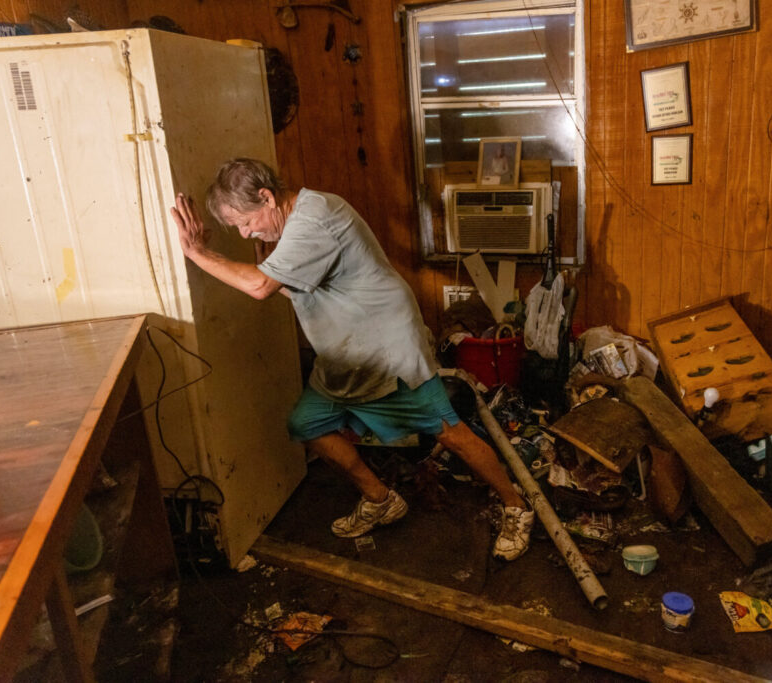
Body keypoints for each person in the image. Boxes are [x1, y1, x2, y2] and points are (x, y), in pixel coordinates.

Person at [171, 158, 534, 560]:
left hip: (383, 344)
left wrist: (197, 253)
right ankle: (380, 498)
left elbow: (260, 287)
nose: (245, 232)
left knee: (449, 433)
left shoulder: (314, 218)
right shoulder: (295, 225)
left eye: (245, 221)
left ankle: (517, 506)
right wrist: (264, 266)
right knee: (309, 425)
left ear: (267, 197)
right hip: (346, 347)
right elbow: (288, 286)